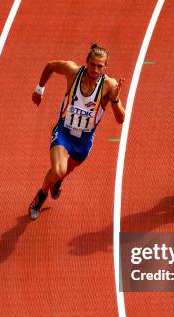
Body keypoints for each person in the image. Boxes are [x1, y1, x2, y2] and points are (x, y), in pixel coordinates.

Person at [29, 43, 126, 219]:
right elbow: (50, 66)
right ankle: (41, 195)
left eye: (100, 66)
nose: (95, 69)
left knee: (64, 172)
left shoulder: (109, 86)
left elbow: (121, 120)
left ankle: (57, 182)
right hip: (64, 132)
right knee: (58, 170)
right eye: (93, 64)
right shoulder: (73, 72)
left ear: (105, 67)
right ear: (86, 62)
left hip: (84, 141)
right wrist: (39, 89)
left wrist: (115, 99)